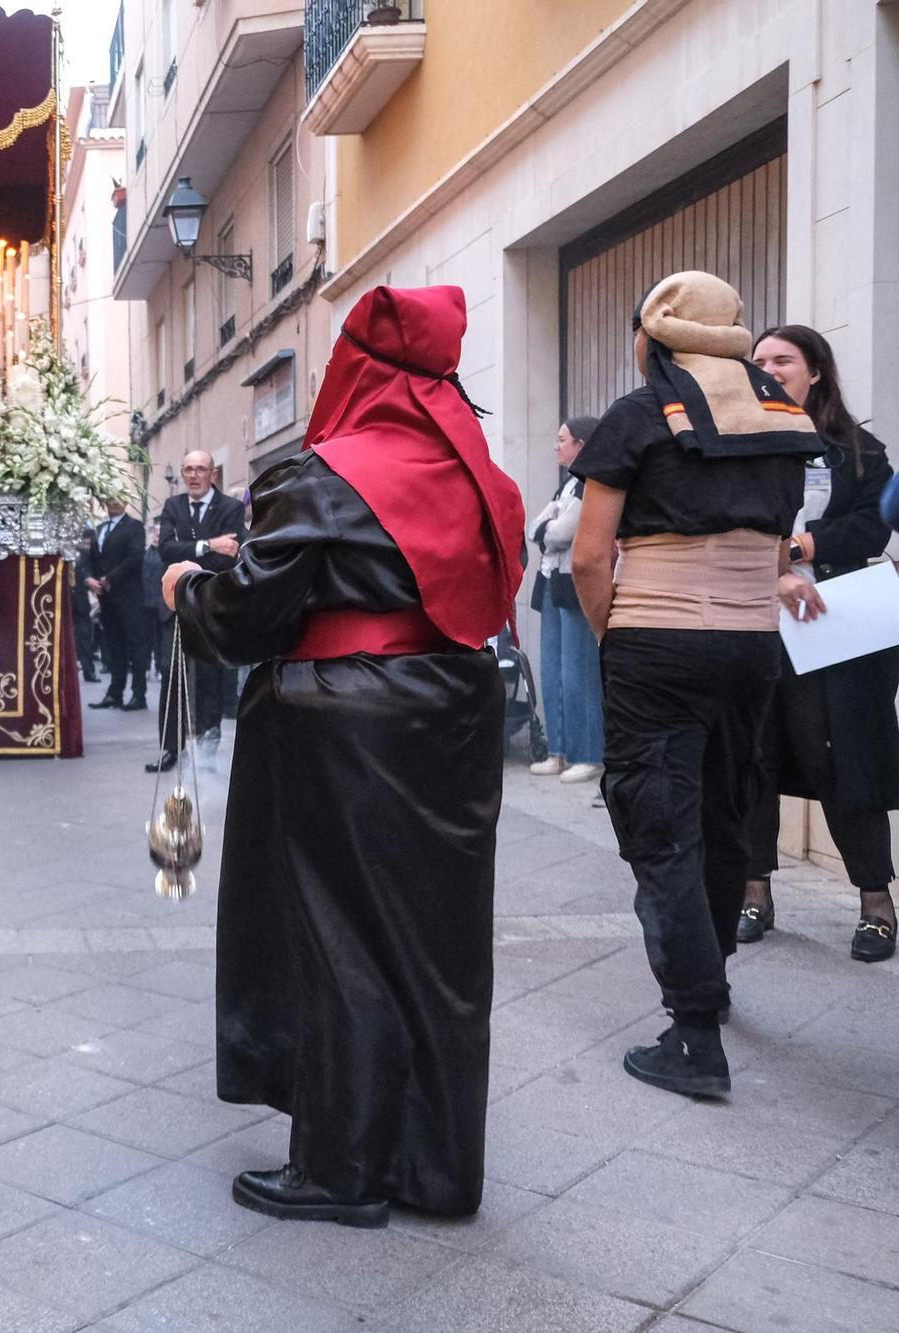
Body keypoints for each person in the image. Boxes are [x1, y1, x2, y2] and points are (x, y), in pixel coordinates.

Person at [165, 285, 524, 1227]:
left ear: (358, 368)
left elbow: (249, 616)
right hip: (451, 708)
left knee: (337, 933)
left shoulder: (325, 472)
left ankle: (342, 1164)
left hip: (340, 717)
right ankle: (436, 1165)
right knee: (435, 939)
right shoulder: (477, 470)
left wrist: (190, 587)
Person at [570, 272, 822, 1099]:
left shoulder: (639, 415)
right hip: (753, 644)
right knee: (724, 809)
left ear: (655, 336)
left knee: (660, 821)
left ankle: (694, 1030)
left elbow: (587, 555)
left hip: (657, 639)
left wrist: (619, 634)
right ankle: (710, 976)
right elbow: (778, 548)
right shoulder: (786, 419)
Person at [739, 325, 897, 963]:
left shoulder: (858, 449)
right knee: (755, 757)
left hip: (838, 628)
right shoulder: (739, 445)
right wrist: (775, 572)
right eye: (760, 361)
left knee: (844, 759)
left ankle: (876, 903)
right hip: (754, 624)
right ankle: (754, 892)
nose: (770, 368)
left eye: (783, 359)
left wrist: (804, 548)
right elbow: (725, 525)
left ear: (816, 374)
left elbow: (872, 521)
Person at [149, 451, 244, 771]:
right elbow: (165, 550)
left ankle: (206, 753)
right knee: (169, 673)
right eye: (188, 469)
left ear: (212, 474)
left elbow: (229, 558)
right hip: (174, 604)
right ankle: (170, 749)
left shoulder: (231, 508)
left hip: (210, 605)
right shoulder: (173, 507)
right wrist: (208, 545)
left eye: (200, 469)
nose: (193, 475)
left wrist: (190, 552)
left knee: (209, 679)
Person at [528, 418, 606, 784]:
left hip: (576, 583)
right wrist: (549, 525)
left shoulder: (591, 482)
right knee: (554, 670)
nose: (556, 447)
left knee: (579, 672)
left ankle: (588, 754)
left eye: (562, 440)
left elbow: (561, 533)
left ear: (581, 443)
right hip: (550, 581)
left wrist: (550, 525)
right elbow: (535, 528)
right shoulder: (567, 485)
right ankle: (558, 750)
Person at [86, 497, 148, 710]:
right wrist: (90, 579)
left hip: (129, 596)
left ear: (126, 501)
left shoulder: (134, 526)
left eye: (118, 498)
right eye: (110, 498)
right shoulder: (99, 528)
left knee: (135, 646)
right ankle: (115, 692)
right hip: (106, 599)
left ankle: (139, 695)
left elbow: (134, 557)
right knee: (114, 647)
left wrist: (109, 578)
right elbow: (92, 558)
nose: (114, 502)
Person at [71, 526, 101, 684]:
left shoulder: (84, 554)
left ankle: (89, 672)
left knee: (84, 636)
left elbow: (88, 570)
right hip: (67, 597)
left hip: (81, 598)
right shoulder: (66, 552)